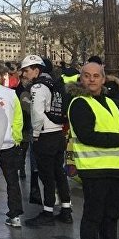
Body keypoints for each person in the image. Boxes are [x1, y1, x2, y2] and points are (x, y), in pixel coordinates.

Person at [68, 62, 119, 239]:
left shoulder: (114, 103)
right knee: (93, 216)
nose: (91, 79)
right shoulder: (79, 103)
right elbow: (87, 135)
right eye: (87, 76)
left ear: (103, 79)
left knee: (111, 215)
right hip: (93, 168)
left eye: (96, 76)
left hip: (116, 167)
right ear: (81, 79)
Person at [21, 55, 72, 226]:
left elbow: (36, 112)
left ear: (36, 70)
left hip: (45, 135)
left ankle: (48, 211)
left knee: (46, 175)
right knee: (59, 173)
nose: (24, 74)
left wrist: (35, 133)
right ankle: (66, 209)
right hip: (58, 133)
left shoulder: (37, 86)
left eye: (26, 70)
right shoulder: (55, 83)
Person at [0, 63, 25, 228]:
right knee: (12, 180)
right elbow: (18, 119)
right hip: (8, 142)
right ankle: (15, 214)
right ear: (0, 76)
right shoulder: (10, 94)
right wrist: (16, 138)